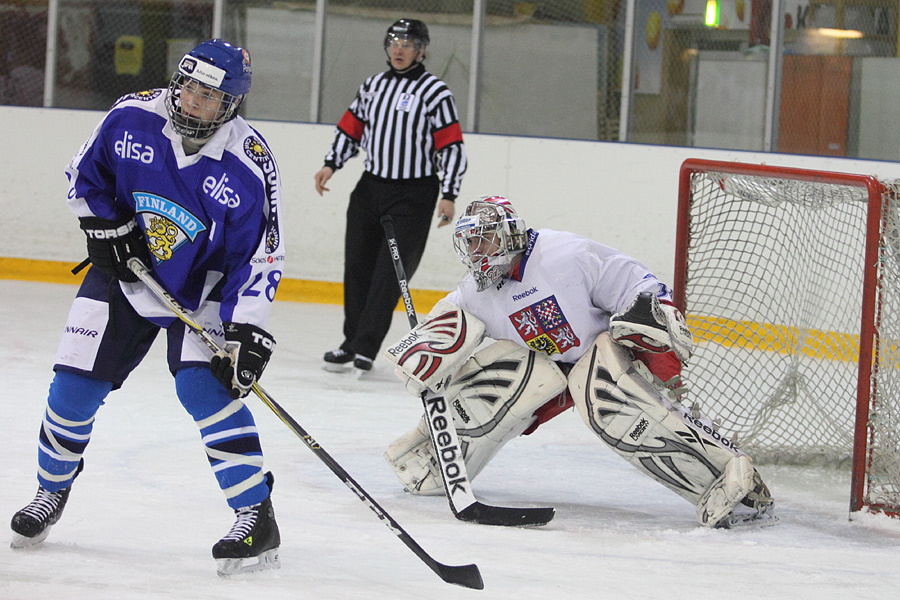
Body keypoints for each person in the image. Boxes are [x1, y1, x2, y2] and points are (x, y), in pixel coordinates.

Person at [9, 39, 286, 575]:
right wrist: (103, 226)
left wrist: (247, 331)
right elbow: (83, 176)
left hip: (201, 287)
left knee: (203, 388)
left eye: (208, 97)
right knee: (73, 386)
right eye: (188, 88)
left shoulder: (249, 164)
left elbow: (262, 254)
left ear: (231, 105)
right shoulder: (133, 115)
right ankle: (50, 491)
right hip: (126, 273)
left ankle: (255, 513)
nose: (191, 104)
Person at [381, 196, 776, 528]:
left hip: (601, 352)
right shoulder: (477, 291)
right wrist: (425, 350)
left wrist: (655, 311)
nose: (476, 254)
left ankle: (727, 475)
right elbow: (446, 319)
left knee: (609, 403)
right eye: (470, 245)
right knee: (500, 377)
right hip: (549, 367)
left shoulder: (563, 254)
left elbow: (630, 281)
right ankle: (439, 457)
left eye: (483, 242)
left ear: (510, 235)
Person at [314, 18, 467, 373]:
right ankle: (350, 342)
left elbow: (451, 145)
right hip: (371, 187)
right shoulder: (373, 86)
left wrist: (450, 193)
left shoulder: (435, 92)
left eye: (408, 43)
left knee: (390, 273)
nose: (400, 48)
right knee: (357, 267)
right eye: (395, 41)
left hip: (413, 194)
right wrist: (330, 164)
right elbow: (351, 127)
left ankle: (366, 346)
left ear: (422, 50)